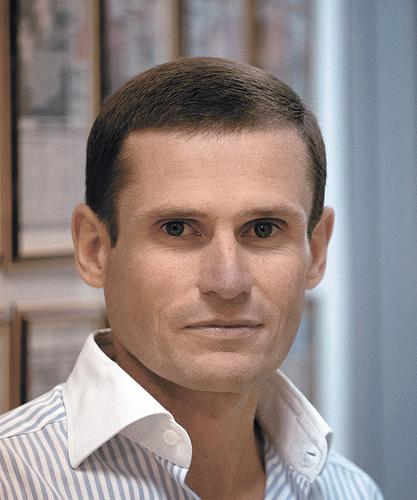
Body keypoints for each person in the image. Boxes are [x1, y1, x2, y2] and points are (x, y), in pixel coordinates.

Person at [0, 57, 383, 499]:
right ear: (94, 249)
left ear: (315, 252)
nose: (228, 281)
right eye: (177, 228)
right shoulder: (14, 480)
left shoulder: (351, 491)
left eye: (263, 229)